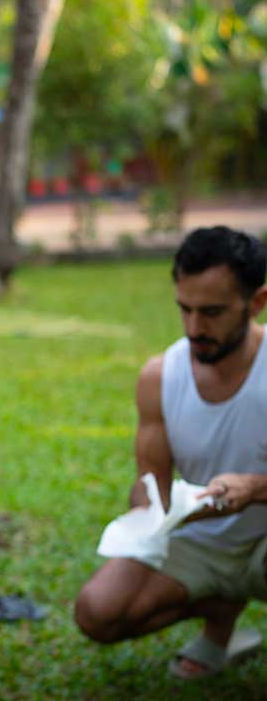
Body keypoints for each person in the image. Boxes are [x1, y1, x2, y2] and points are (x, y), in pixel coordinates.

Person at [75, 226, 267, 677]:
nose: (194, 328)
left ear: (256, 302)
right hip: (200, 542)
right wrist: (155, 512)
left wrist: (254, 488)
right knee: (98, 612)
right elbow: (150, 480)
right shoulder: (160, 376)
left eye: (212, 312)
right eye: (185, 309)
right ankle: (222, 617)